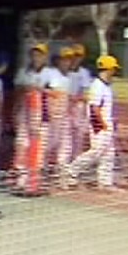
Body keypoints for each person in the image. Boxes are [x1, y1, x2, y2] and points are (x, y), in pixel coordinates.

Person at [64, 55, 120, 191]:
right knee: (96, 152)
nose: (115, 71)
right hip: (99, 124)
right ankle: (71, 171)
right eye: (113, 68)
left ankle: (105, 182)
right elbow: (94, 108)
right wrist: (103, 125)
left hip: (107, 123)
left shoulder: (107, 86)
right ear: (107, 69)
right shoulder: (97, 85)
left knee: (109, 153)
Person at [12, 43, 51, 191]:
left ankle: (34, 182)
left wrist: (40, 90)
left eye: (40, 54)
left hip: (41, 115)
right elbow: (17, 90)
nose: (36, 57)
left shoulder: (49, 73)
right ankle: (21, 180)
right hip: (25, 113)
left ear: (45, 57)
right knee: (22, 145)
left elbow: (55, 93)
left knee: (39, 148)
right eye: (34, 54)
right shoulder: (24, 71)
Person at [46, 47, 74, 179]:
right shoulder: (52, 74)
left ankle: (62, 174)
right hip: (54, 117)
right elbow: (49, 94)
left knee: (66, 145)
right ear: (58, 61)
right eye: (64, 59)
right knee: (49, 144)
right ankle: (39, 170)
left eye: (69, 59)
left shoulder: (68, 77)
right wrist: (52, 114)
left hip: (64, 116)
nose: (67, 62)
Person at [68, 44, 92, 160]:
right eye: (74, 55)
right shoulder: (64, 71)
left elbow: (86, 93)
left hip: (77, 106)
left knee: (78, 136)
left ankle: (75, 161)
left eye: (79, 56)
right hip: (64, 106)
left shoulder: (84, 73)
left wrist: (76, 98)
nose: (76, 58)